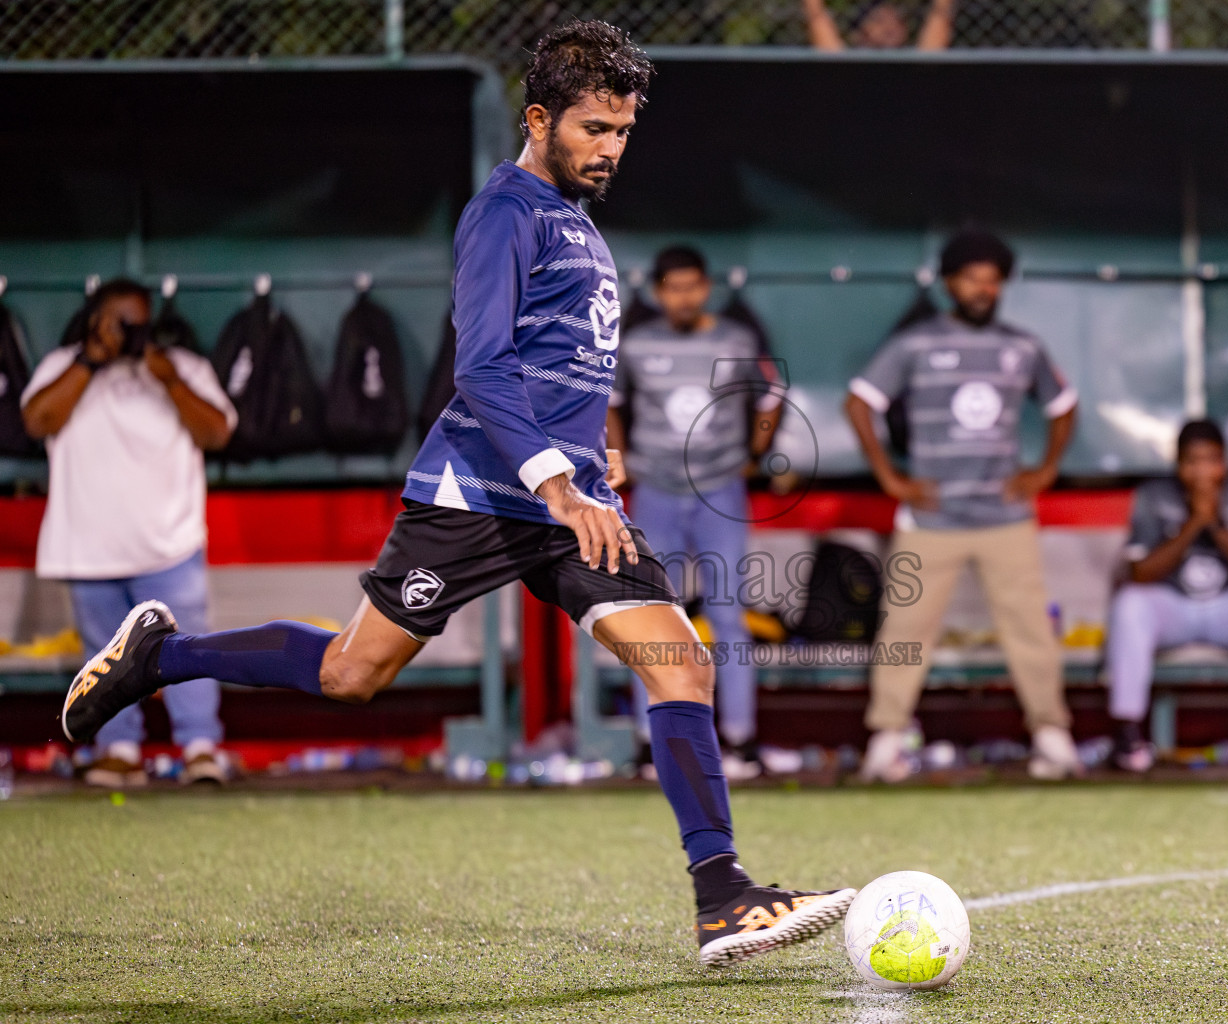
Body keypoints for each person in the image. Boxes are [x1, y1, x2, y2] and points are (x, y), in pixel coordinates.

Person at [58, 21, 853, 966]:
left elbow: (556, 362)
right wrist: (559, 482)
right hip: (478, 495)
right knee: (353, 675)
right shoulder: (506, 213)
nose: (612, 149)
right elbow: (481, 369)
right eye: (596, 128)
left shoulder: (574, 220)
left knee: (679, 663)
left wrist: (591, 451)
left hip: (571, 503)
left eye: (624, 131)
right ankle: (163, 655)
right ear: (539, 117)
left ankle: (722, 896)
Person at [845, 229, 1081, 782]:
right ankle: (886, 741)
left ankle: (1052, 736)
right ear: (950, 282)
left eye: (992, 279)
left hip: (1005, 514)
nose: (983, 288)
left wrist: (1044, 469)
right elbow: (859, 402)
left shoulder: (1021, 346)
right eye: (972, 278)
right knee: (904, 629)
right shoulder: (916, 343)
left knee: (1030, 628)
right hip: (931, 516)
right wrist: (891, 477)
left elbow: (1064, 406)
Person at [22, 278, 235, 788]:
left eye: (137, 323)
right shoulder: (64, 365)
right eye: (118, 322)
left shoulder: (181, 367)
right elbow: (37, 420)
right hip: (88, 546)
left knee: (186, 647)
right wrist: (91, 360)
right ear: (96, 320)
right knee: (104, 659)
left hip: (169, 542)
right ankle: (118, 751)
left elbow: (217, 432)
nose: (128, 333)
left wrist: (167, 378)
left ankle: (201, 747)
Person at [607, 246, 781, 780]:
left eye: (692, 287)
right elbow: (609, 403)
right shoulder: (635, 344)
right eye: (672, 288)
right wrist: (622, 460)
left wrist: (753, 456)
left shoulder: (735, 339)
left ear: (706, 287)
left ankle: (739, 740)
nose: (683, 298)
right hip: (655, 491)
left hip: (720, 492)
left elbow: (771, 398)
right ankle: (650, 742)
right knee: (652, 618)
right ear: (658, 293)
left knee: (728, 615)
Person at [1107, 420, 1228, 785]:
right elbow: (1141, 573)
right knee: (1129, 604)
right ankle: (1127, 736)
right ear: (1178, 464)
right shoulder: (1153, 496)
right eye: (1192, 461)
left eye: (1211, 460)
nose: (1202, 471)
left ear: (1225, 463)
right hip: (1173, 607)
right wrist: (1192, 524)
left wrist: (1214, 524)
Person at [802, 0, 954, 50]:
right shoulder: (847, 69)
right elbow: (816, 17)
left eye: (898, 21)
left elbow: (941, 15)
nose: (890, 27)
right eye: (879, 20)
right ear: (858, 33)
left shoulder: (915, 69)